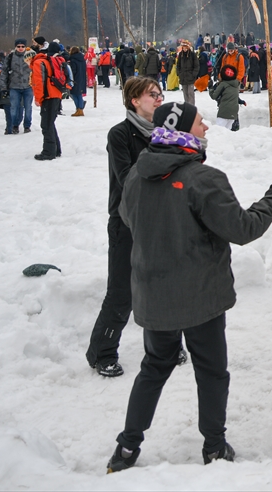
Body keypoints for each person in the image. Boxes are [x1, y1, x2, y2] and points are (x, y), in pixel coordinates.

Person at [105, 101, 272, 473]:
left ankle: (126, 448)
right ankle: (215, 447)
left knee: (154, 367)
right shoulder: (203, 178)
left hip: (153, 296)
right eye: (201, 123)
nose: (207, 127)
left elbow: (127, 216)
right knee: (211, 371)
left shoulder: (137, 175)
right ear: (185, 131)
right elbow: (241, 229)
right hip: (200, 296)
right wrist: (270, 203)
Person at [86, 77, 168, 378]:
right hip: (127, 222)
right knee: (122, 292)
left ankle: (166, 345)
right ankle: (102, 353)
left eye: (160, 94)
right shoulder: (120, 134)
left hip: (161, 219)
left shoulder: (167, 132)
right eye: (152, 94)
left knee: (162, 286)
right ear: (134, 100)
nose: (159, 98)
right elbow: (128, 177)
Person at [30, 41, 70, 161]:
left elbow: (38, 83)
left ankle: (49, 151)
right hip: (57, 94)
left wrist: (38, 98)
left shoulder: (39, 63)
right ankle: (56, 149)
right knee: (50, 122)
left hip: (48, 96)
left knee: (46, 124)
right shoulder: (55, 61)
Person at [0, 38, 34, 135]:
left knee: (28, 107)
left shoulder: (30, 56)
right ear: (15, 47)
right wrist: (4, 88)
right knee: (14, 108)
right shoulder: (10, 57)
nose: (21, 48)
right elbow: (4, 73)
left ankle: (27, 126)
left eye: (22, 46)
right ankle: (15, 125)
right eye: (18, 46)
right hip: (14, 86)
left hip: (28, 86)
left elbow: (37, 71)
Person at [175, 40, 202, 106]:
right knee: (185, 93)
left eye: (185, 47)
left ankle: (192, 107)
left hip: (190, 77)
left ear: (188, 47)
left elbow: (196, 66)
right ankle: (187, 106)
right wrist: (179, 73)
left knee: (190, 93)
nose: (184, 49)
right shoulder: (180, 54)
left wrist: (193, 74)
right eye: (183, 47)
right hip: (183, 77)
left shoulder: (192, 54)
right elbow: (178, 65)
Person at [68, 46, 88, 115]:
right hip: (82, 78)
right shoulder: (82, 59)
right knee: (79, 94)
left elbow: (73, 71)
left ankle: (79, 109)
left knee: (74, 94)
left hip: (75, 78)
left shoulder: (73, 60)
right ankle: (80, 109)